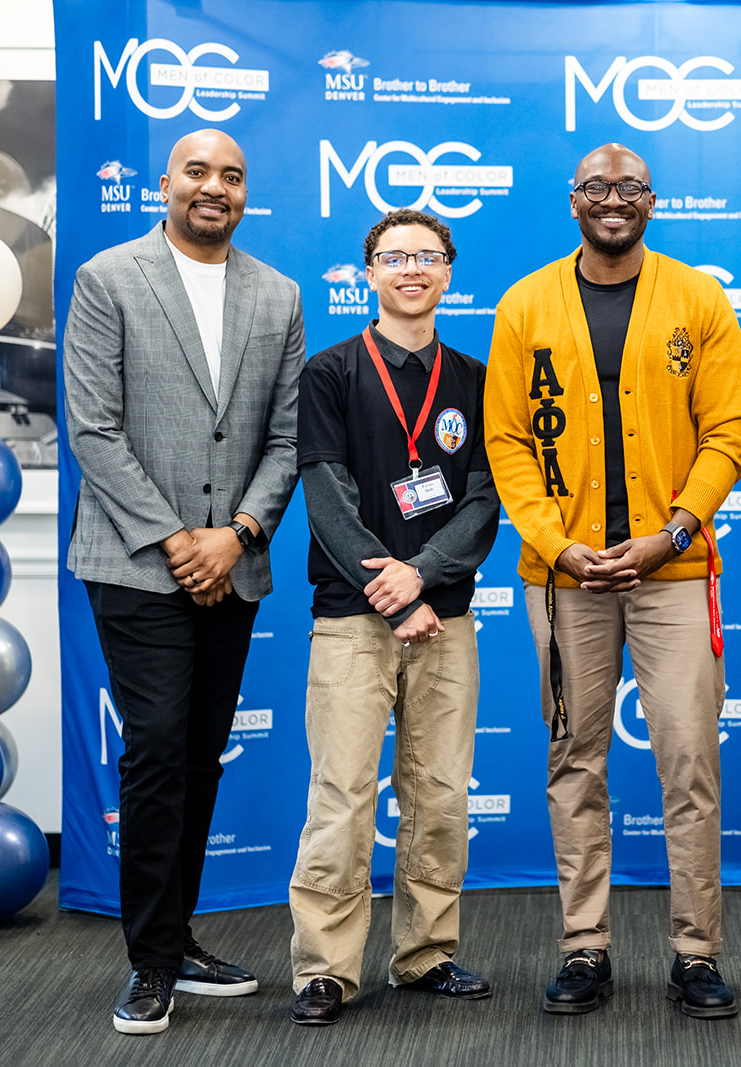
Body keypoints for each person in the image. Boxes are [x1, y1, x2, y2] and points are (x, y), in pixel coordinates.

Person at [484, 143, 741, 1019]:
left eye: (629, 187)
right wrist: (556, 545)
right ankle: (584, 946)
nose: (613, 199)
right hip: (566, 578)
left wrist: (673, 532)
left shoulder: (698, 298)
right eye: (596, 187)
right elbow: (506, 440)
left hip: (673, 571)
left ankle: (696, 952)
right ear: (574, 201)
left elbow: (729, 431)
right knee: (574, 759)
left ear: (652, 201)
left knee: (689, 759)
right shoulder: (525, 303)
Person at [63, 129, 303, 1035]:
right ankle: (151, 961)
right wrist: (177, 541)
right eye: (198, 171)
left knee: (200, 752)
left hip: (232, 563)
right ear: (165, 183)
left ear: (245, 194)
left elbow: (285, 439)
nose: (215, 187)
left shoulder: (278, 294)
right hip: (135, 562)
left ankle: (177, 933)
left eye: (232, 176)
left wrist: (235, 536)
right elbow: (93, 429)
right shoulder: (107, 278)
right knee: (158, 748)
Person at [286, 209, 499, 1025]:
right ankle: (325, 968)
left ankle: (426, 953)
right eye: (395, 256)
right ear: (368, 272)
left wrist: (424, 578)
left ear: (449, 271)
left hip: (447, 620)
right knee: (341, 795)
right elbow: (327, 497)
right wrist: (396, 592)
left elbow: (483, 502)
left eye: (428, 256)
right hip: (353, 619)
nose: (413, 268)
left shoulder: (476, 379)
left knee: (440, 794)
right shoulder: (330, 372)